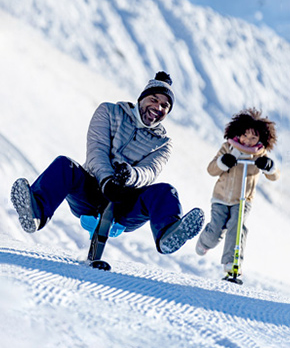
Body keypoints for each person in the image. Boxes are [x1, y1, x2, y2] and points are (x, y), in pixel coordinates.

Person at [11, 71, 204, 256]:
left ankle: (168, 234)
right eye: (154, 99)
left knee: (165, 192)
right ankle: (36, 212)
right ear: (141, 99)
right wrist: (106, 180)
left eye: (165, 106)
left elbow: (150, 170)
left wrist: (130, 175)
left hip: (127, 203)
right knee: (64, 166)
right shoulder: (109, 112)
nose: (158, 108)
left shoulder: (163, 143)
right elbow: (97, 149)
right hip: (91, 192)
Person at [195, 108, 280, 274]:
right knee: (217, 230)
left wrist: (269, 167)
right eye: (245, 135)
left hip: (243, 199)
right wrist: (223, 162)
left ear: (261, 138)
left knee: (237, 226)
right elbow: (211, 170)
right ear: (237, 133)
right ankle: (205, 242)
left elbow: (275, 176)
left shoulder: (259, 155)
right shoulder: (227, 148)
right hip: (221, 197)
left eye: (253, 137)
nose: (248, 141)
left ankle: (232, 263)